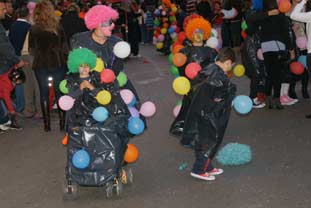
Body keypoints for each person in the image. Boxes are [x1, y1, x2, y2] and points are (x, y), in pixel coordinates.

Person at [184, 47, 236, 181]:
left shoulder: (208, 69)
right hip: (208, 115)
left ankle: (207, 166)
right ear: (228, 62)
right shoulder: (218, 77)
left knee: (203, 141)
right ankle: (199, 169)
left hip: (200, 112)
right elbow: (217, 100)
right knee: (208, 142)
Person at [170, 16, 218, 138]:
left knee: (205, 106)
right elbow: (180, 67)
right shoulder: (185, 50)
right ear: (191, 33)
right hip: (191, 85)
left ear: (205, 33)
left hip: (205, 84)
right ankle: (182, 125)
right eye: (195, 32)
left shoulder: (210, 51)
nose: (198, 35)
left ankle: (204, 126)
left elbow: (215, 68)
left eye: (201, 32)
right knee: (189, 105)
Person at [29, 0, 69, 131]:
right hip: (57, 62)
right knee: (59, 93)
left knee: (44, 93)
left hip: (40, 63)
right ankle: (63, 123)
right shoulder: (58, 27)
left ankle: (47, 125)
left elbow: (31, 50)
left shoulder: (34, 29)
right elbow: (65, 48)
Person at [9, 6, 32, 116]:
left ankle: (18, 105)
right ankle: (25, 106)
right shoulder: (29, 27)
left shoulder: (12, 26)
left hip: (14, 56)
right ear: (28, 15)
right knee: (27, 82)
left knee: (18, 80)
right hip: (25, 56)